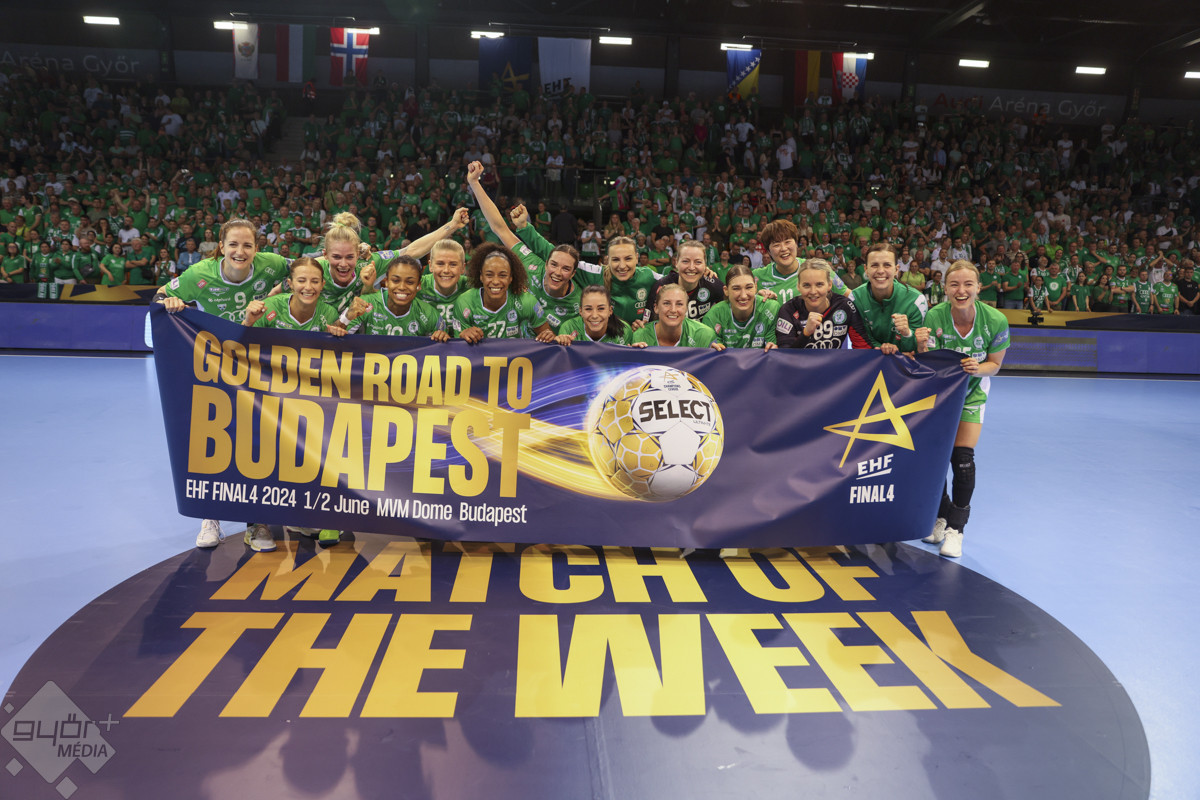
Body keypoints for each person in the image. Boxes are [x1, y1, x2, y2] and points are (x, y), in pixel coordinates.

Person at [157, 218, 290, 552]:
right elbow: (160, 296)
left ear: (257, 248)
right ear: (221, 247)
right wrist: (169, 301)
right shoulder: (198, 274)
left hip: (256, 367)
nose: (240, 251)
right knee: (214, 441)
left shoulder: (272, 265)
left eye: (247, 245)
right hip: (215, 368)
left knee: (256, 444)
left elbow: (308, 268)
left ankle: (256, 522)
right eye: (233, 244)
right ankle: (210, 517)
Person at [915, 260, 1010, 558]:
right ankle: (941, 517)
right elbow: (929, 363)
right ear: (945, 288)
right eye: (954, 284)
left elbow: (995, 365)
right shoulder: (935, 315)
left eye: (968, 284)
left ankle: (956, 530)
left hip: (972, 394)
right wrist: (921, 347)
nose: (961, 290)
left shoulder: (995, 320)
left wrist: (977, 368)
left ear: (978, 287)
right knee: (936, 458)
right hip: (941, 394)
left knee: (962, 458)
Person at [451, 243, 555, 343]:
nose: (496, 281)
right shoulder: (464, 302)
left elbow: (550, 340)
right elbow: (458, 349)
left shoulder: (525, 300)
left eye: (502, 275)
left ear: (511, 278)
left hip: (514, 355)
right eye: (489, 275)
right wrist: (464, 335)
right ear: (481, 276)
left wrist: (549, 336)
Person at [341, 255, 450, 340]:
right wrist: (346, 319)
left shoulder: (429, 315)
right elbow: (335, 339)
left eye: (410, 282)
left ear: (418, 285)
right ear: (387, 282)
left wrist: (443, 338)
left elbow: (445, 352)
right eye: (396, 280)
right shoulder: (366, 304)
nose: (402, 287)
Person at [775, 259, 871, 349]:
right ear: (798, 286)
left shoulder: (845, 306)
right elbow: (784, 354)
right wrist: (806, 333)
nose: (813, 291)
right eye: (806, 285)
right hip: (799, 362)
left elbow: (862, 346)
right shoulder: (788, 310)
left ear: (829, 285)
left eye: (819, 284)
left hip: (833, 362)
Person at [850, 243, 927, 354]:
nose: (880, 271)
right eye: (874, 265)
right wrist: (884, 350)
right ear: (866, 269)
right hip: (870, 361)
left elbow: (917, 347)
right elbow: (862, 340)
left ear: (896, 269)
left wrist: (907, 333)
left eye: (887, 265)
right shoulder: (855, 298)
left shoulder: (916, 300)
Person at [754, 218, 849, 304]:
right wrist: (756, 299)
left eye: (787, 242)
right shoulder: (756, 277)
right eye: (776, 245)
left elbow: (850, 296)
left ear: (796, 243)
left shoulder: (820, 269)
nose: (783, 248)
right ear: (768, 251)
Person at [700, 264, 778, 350]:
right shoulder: (713, 316)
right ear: (726, 290)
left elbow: (773, 348)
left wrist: (773, 347)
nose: (743, 296)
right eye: (736, 288)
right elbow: (715, 353)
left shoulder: (770, 309)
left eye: (749, 287)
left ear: (756, 287)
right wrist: (713, 348)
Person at [648, 240, 725, 321]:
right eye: (685, 261)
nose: (691, 267)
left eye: (698, 262)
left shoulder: (712, 283)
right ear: (676, 263)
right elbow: (649, 322)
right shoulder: (662, 286)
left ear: (705, 265)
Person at [631, 283, 720, 348]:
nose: (673, 310)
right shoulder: (640, 336)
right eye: (666, 303)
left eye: (679, 304)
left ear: (686, 308)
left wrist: (717, 355)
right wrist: (634, 356)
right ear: (656, 308)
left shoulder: (703, 335)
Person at [554, 285, 633, 345]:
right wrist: (561, 342)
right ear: (580, 311)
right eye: (588, 309)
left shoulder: (624, 330)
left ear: (610, 310)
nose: (594, 316)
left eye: (601, 308)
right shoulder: (569, 328)